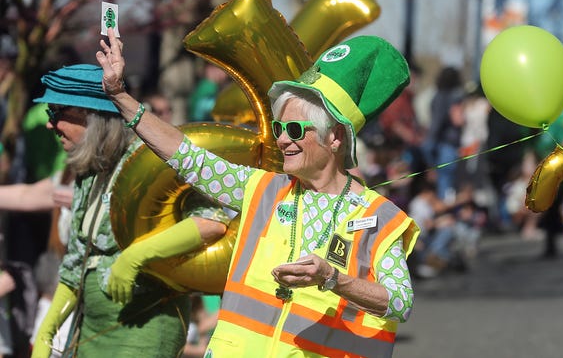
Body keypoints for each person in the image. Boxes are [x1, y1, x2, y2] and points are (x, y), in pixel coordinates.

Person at [97, 28, 420, 357]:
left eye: (294, 129)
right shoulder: (262, 189)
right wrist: (121, 96)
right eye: (279, 128)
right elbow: (188, 157)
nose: (281, 140)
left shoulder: (379, 217)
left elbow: (399, 302)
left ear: (335, 136)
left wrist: (333, 278)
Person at [30, 64, 230, 358]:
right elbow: (75, 264)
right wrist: (48, 329)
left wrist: (138, 255)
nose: (50, 125)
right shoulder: (88, 172)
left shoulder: (149, 162)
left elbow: (212, 222)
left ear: (91, 117)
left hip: (144, 331)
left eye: (56, 113)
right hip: (89, 332)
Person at [422, 66, 465, 201]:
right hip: (450, 145)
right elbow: (456, 121)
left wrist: (428, 148)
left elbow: (435, 124)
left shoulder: (439, 97)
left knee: (444, 183)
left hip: (444, 146)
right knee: (450, 184)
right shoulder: (455, 97)